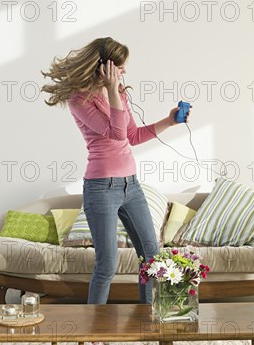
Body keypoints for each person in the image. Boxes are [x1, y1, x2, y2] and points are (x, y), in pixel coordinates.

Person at [41, 36, 191, 306]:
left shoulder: (119, 93)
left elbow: (131, 136)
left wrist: (169, 121)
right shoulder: (79, 100)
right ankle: (95, 330)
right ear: (104, 67)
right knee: (107, 264)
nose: (124, 72)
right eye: (120, 67)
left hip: (131, 186)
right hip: (101, 188)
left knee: (151, 255)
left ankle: (149, 318)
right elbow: (116, 131)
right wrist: (112, 91)